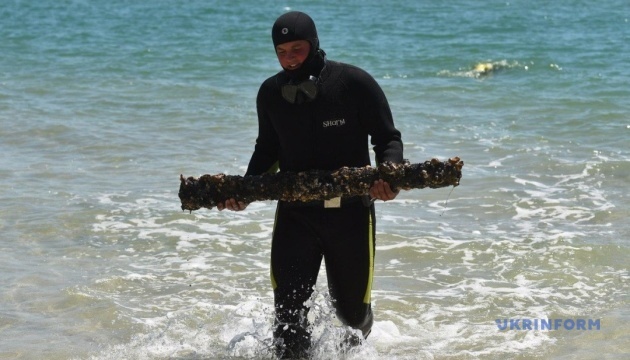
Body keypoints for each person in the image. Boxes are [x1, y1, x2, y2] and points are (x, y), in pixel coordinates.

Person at [218, 11, 403, 358]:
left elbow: (387, 138)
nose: (290, 59)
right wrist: (244, 190)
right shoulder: (270, 93)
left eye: (297, 49)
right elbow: (267, 150)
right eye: (282, 51)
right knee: (288, 320)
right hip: (295, 217)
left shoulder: (353, 83)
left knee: (352, 315)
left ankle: (360, 339)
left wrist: (388, 176)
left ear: (314, 44)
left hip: (350, 215)